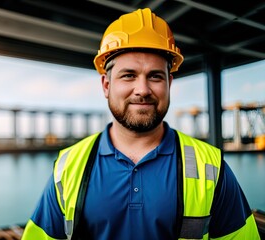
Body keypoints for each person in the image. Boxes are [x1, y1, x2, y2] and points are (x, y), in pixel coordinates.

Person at [22, 8, 260, 239]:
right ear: (106, 85)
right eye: (129, 75)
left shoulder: (212, 166)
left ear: (170, 84)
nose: (143, 90)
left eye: (155, 76)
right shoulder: (67, 167)